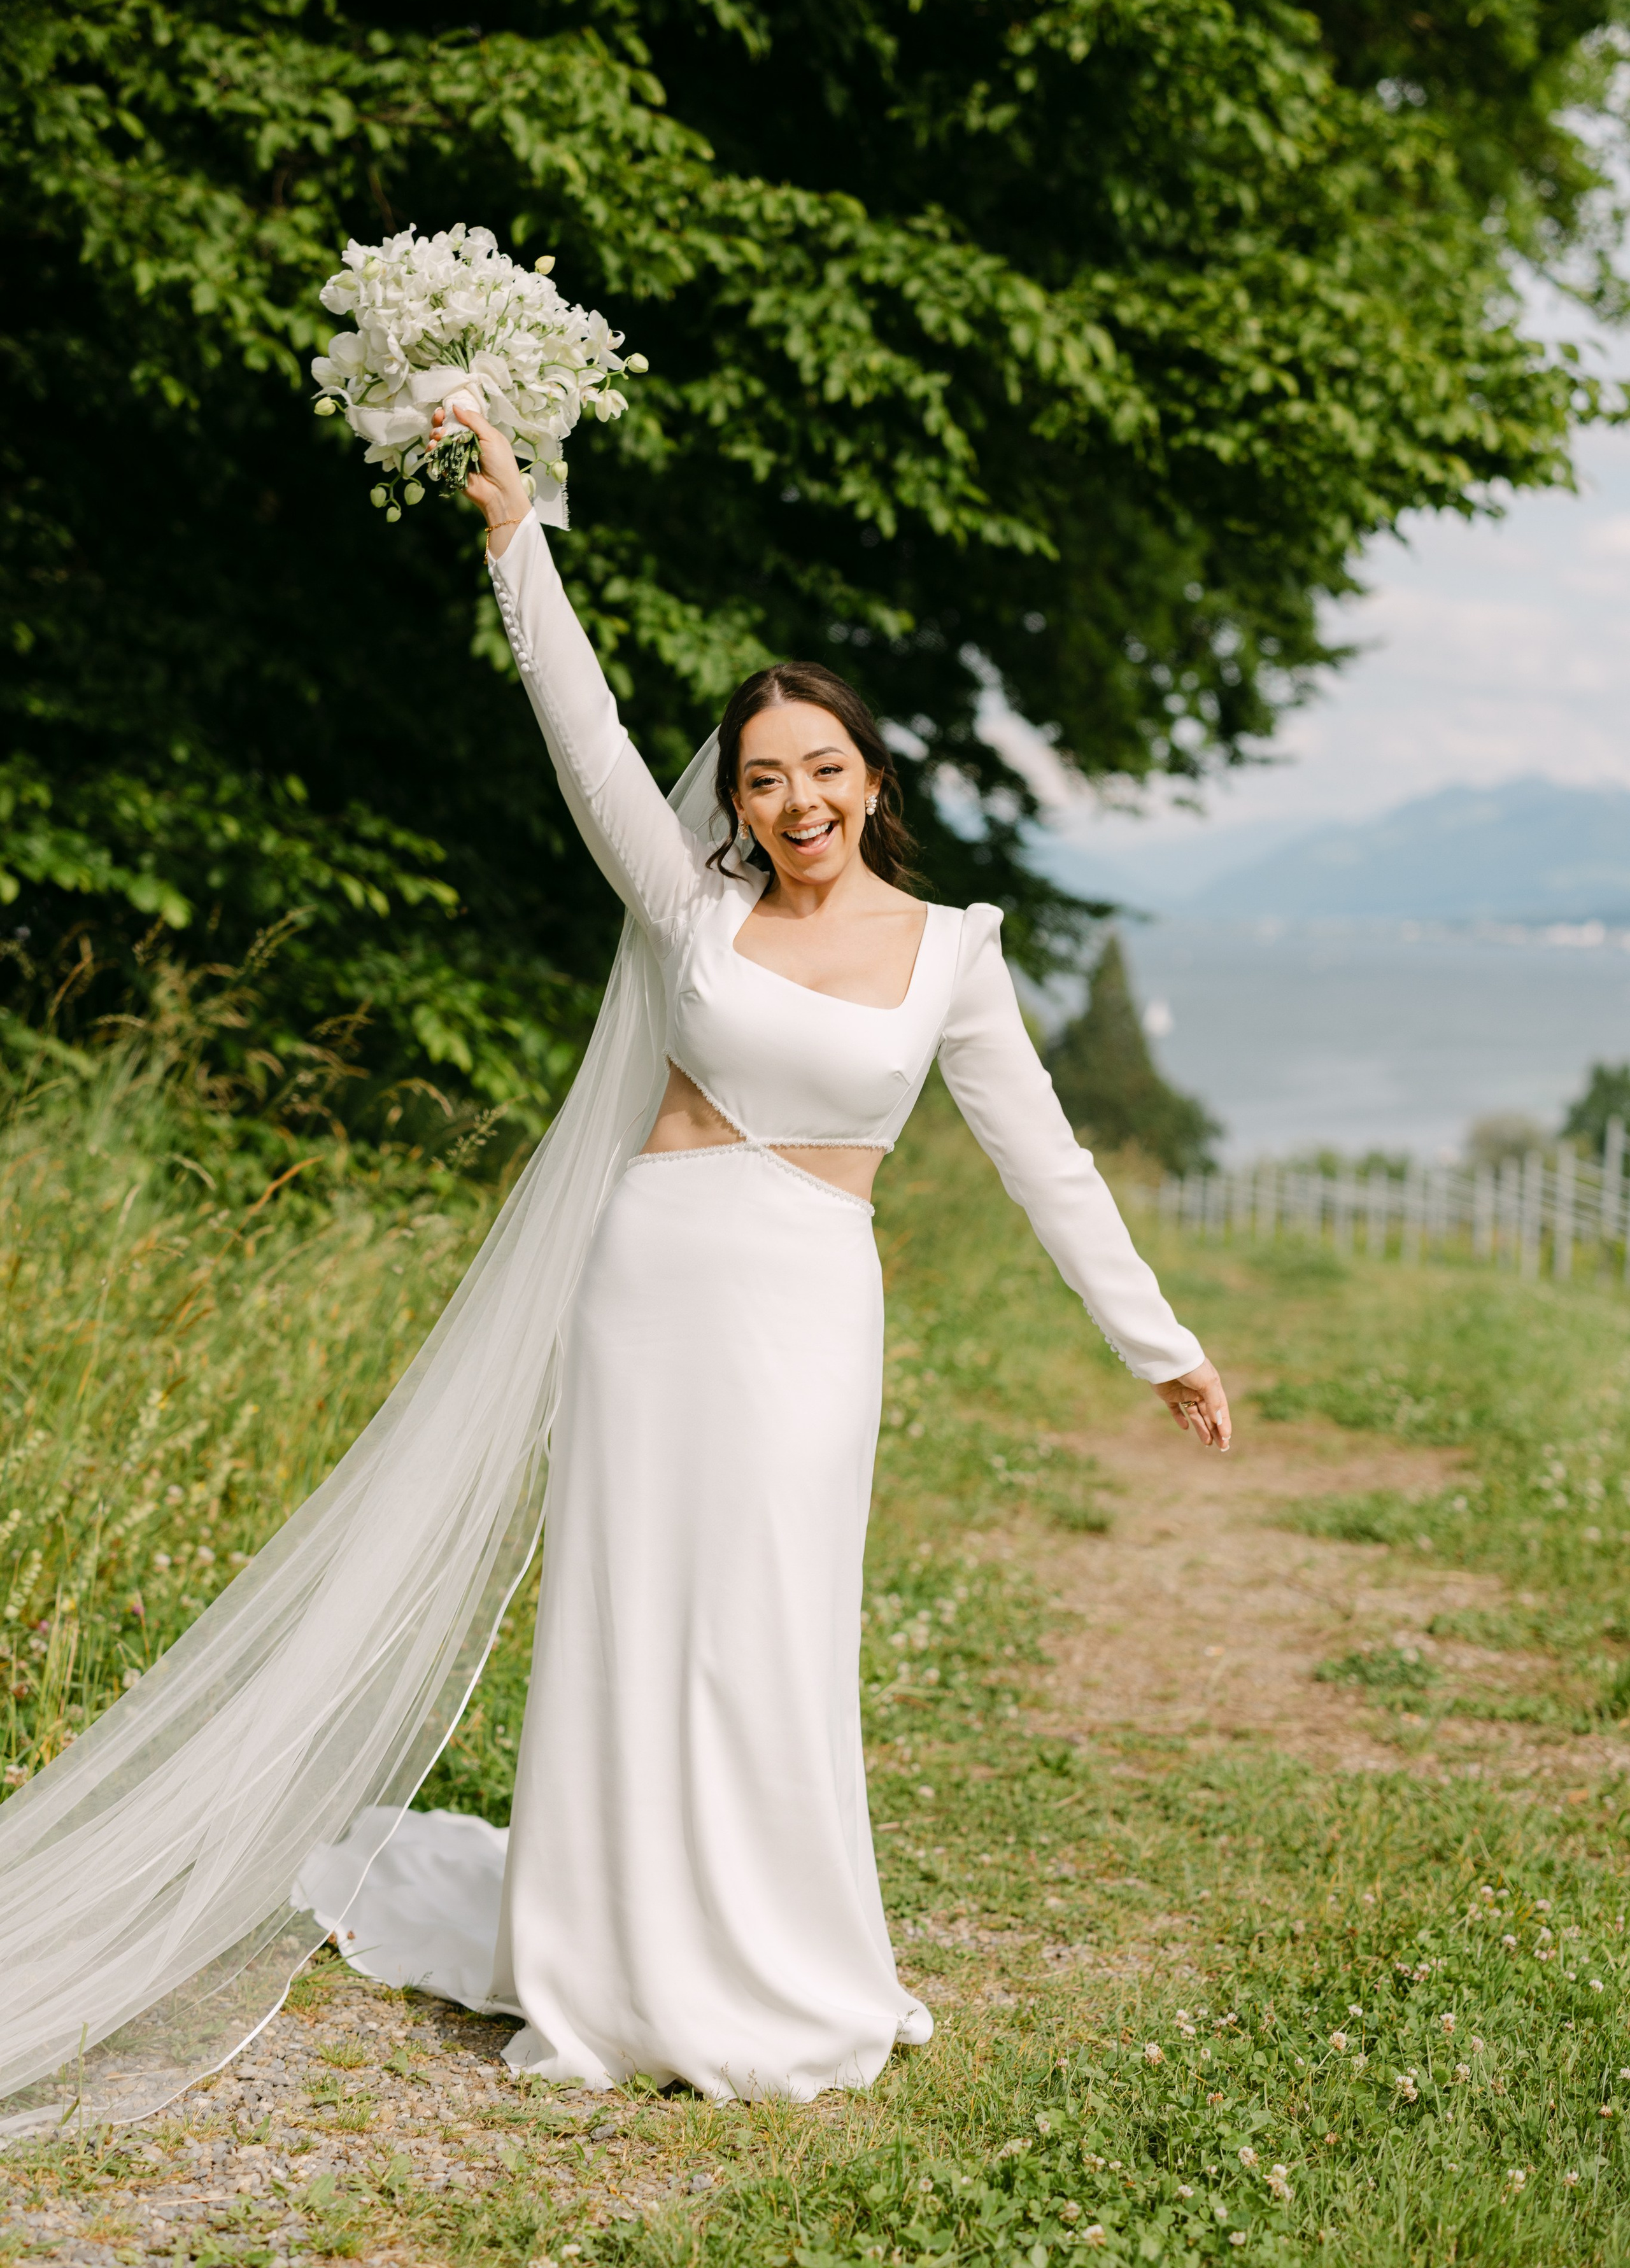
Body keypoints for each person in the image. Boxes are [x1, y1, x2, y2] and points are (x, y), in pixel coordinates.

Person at [0, 408, 1226, 2130]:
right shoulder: (696, 913)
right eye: (762, 776)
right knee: (633, 1612)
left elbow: (1045, 1158)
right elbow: (581, 740)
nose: (794, 801)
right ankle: (605, 1957)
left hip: (811, 1307)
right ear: (735, 797)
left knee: (771, 1626)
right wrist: (518, 538)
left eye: (823, 770)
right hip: (651, 1284)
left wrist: (1154, 1342)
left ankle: (777, 1959)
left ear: (872, 781)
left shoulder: (954, 957)